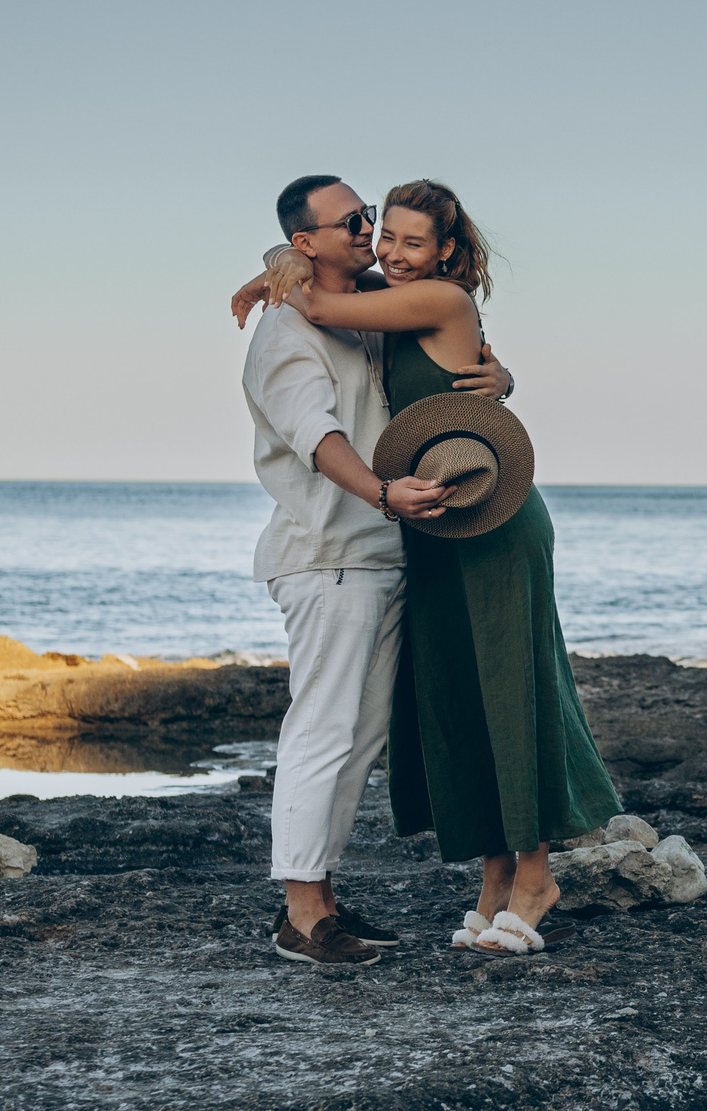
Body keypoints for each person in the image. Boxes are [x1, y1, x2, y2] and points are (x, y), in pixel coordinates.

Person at [262, 180, 622, 954]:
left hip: (490, 523)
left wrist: (272, 270)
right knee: (465, 696)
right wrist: (279, 268)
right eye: (375, 230)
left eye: (406, 239)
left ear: (446, 251)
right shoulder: (378, 303)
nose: (385, 247)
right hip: (426, 532)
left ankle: (534, 876)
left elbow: (322, 300)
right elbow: (327, 296)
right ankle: (493, 879)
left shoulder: (439, 301)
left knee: (513, 689)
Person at [236, 175, 513, 967]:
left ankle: (320, 895)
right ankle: (299, 912)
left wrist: (504, 379)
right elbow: (318, 439)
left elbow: (445, 351)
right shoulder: (285, 331)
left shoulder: (363, 309)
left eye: (370, 218)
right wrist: (386, 491)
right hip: (329, 557)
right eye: (353, 221)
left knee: (358, 738)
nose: (369, 231)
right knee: (323, 727)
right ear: (306, 242)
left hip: (380, 554)